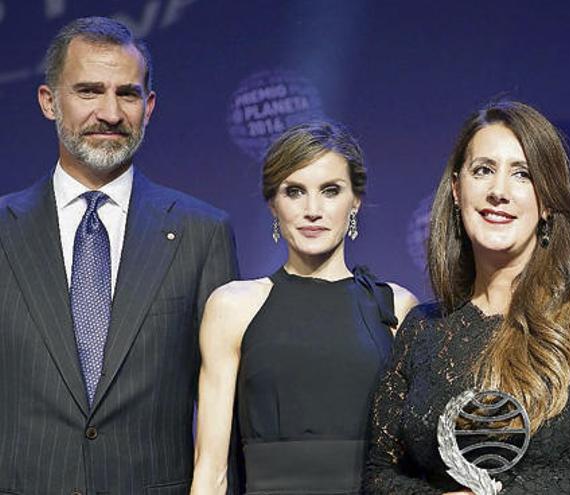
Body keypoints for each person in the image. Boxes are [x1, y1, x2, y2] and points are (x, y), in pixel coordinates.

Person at [363, 101, 570, 494]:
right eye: (483, 170)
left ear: (547, 202)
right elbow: (379, 473)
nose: (499, 191)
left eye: (522, 174)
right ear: (458, 191)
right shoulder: (423, 330)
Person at [0, 17, 238, 494]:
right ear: (50, 102)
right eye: (88, 91)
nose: (109, 112)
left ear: (148, 107)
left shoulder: (200, 233)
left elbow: (227, 410)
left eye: (127, 94)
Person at [190, 121, 418, 494]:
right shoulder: (233, 307)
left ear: (355, 200)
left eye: (330, 191)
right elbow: (211, 470)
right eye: (294, 192)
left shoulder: (395, 307)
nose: (313, 210)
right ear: (272, 204)